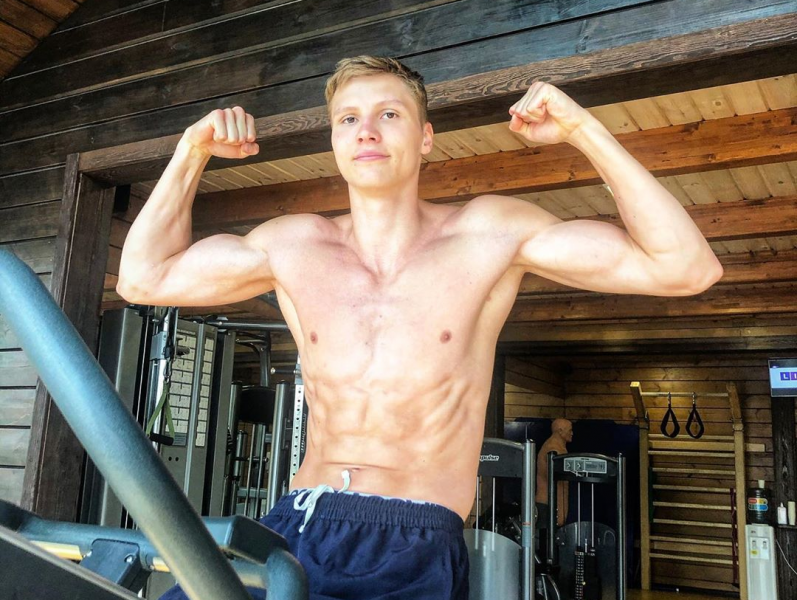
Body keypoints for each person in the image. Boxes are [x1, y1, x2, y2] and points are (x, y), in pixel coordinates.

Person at [118, 56, 723, 599]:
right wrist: (191, 152)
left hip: (413, 540)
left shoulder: (489, 234)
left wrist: (583, 130)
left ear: (426, 137)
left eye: (389, 114)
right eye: (348, 119)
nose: (367, 131)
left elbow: (684, 267)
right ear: (335, 140)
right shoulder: (292, 244)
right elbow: (143, 279)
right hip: (296, 524)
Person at [536, 418, 574, 529]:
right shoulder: (552, 449)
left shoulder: (559, 447)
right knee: (547, 537)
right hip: (547, 505)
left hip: (555, 507)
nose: (572, 433)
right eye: (570, 430)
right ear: (560, 431)